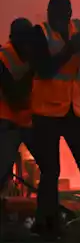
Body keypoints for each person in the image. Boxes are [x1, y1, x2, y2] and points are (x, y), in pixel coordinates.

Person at [27, 0, 80, 238]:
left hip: (74, 110)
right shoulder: (39, 34)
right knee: (51, 170)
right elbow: (43, 70)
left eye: (65, 15)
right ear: (49, 14)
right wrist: (69, 50)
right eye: (57, 15)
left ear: (70, 13)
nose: (61, 20)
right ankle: (46, 222)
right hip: (46, 113)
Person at [0, 19, 38, 197]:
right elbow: (14, 97)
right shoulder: (3, 58)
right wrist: (33, 70)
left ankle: (46, 214)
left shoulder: (32, 56)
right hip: (7, 122)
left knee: (49, 167)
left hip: (27, 121)